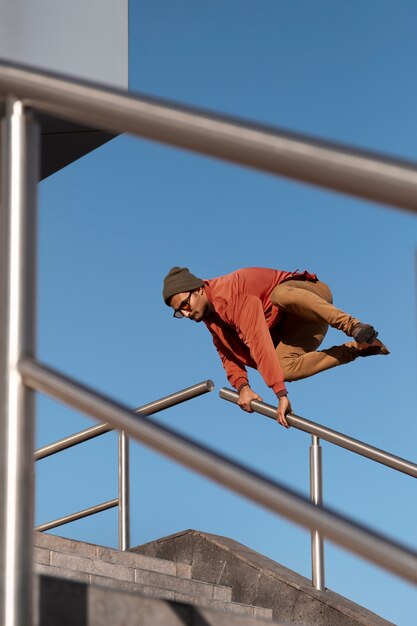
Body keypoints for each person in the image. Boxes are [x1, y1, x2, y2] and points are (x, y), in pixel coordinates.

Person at [162, 266, 389, 428]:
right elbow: (226, 353)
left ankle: (355, 326)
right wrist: (243, 387)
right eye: (178, 312)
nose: (185, 313)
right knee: (285, 368)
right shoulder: (211, 319)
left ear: (199, 289)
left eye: (185, 304)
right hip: (299, 327)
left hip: (309, 298)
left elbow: (257, 340)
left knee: (280, 294)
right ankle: (358, 348)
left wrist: (280, 393)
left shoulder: (231, 294)